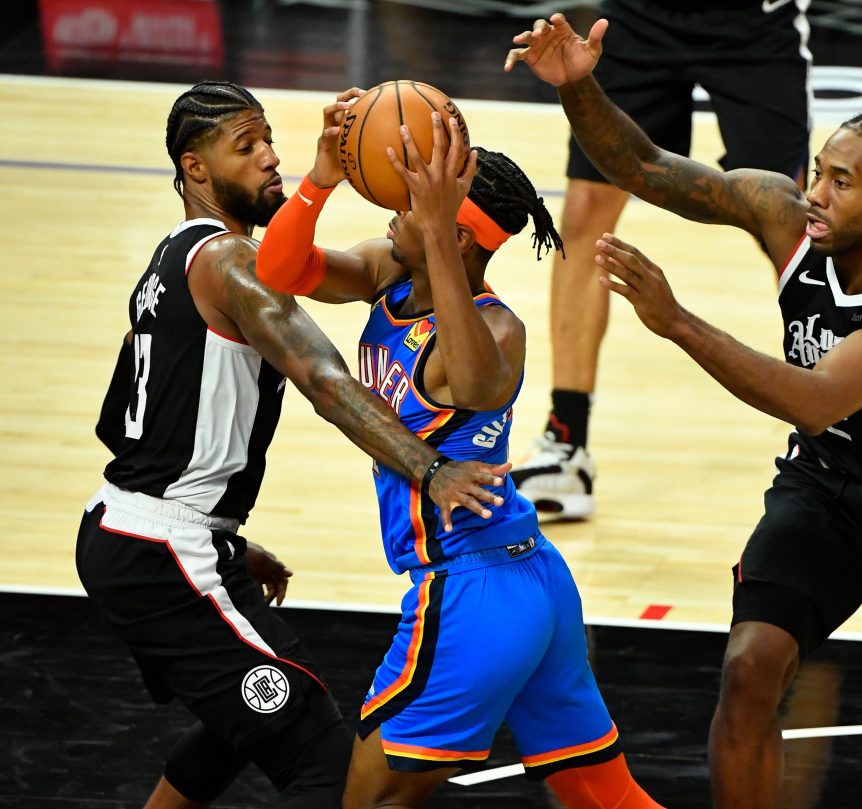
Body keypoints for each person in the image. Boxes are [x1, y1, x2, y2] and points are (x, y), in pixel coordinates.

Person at [506, 14, 862, 808]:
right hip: (824, 489)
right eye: (817, 171)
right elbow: (644, 165)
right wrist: (578, 86)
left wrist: (676, 321)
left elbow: (816, 399)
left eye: (840, 181)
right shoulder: (785, 216)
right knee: (749, 665)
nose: (814, 193)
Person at [75, 80, 510, 809]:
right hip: (159, 548)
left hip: (130, 529)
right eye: (247, 149)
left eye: (269, 140)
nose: (270, 158)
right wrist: (430, 467)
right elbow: (327, 380)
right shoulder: (231, 265)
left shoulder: (167, 263)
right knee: (325, 764)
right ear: (196, 169)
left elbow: (138, 421)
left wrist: (215, 534)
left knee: (239, 720)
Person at [255, 93, 665, 809]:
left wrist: (437, 229)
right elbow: (280, 269)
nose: (391, 206)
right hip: (529, 579)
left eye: (413, 202)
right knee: (603, 795)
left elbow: (472, 384)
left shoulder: (496, 329)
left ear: (456, 234)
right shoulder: (391, 271)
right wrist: (321, 177)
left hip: (470, 589)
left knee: (372, 798)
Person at [509, 0, 813, 520]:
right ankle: (567, 446)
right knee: (584, 212)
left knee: (784, 219)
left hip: (753, 25)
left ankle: (840, 411)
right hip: (640, 17)